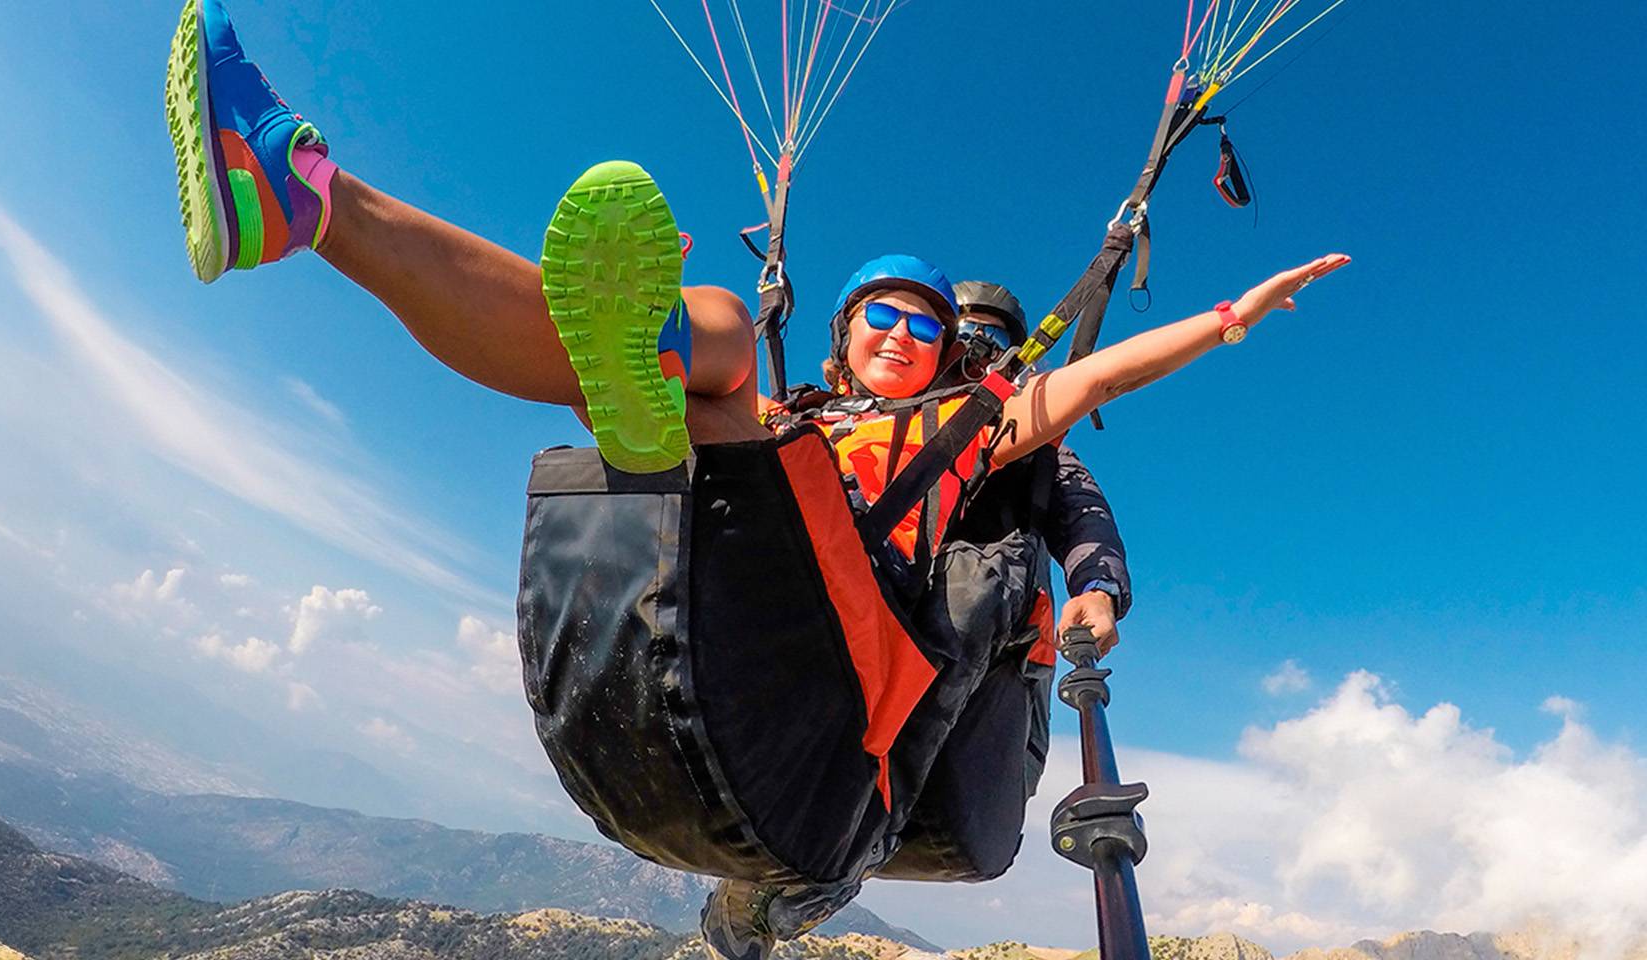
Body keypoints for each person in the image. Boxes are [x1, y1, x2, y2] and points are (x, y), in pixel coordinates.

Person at [166, 4, 1348, 958]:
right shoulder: (804, 409)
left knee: (723, 365)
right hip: (739, 554)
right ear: (846, 335)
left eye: (924, 325)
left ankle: (610, 355)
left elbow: (1086, 387)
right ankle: (312, 204)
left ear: (947, 356)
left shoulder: (968, 428)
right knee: (719, 349)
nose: (901, 331)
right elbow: (777, 397)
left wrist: (1226, 318)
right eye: (880, 313)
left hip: (839, 635)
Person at [950, 280, 1131, 654]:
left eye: (994, 337)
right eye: (966, 332)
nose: (980, 346)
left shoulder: (1039, 449)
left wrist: (1099, 588)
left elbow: (1083, 512)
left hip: (1003, 649)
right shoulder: (884, 423)